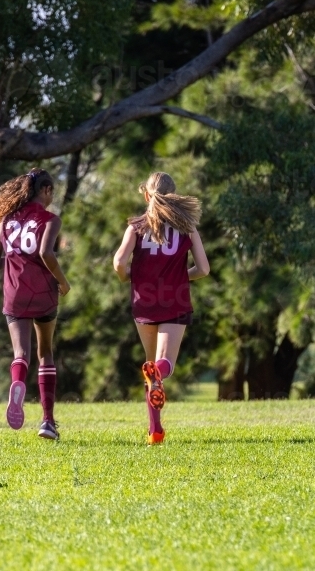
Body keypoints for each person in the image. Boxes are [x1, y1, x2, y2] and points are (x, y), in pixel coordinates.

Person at [113, 172, 210, 445]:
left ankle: (155, 430)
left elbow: (119, 262)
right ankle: (160, 377)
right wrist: (180, 275)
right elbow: (203, 269)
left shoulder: (136, 227)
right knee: (162, 364)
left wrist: (128, 277)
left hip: (144, 301)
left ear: (146, 195)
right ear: (174, 196)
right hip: (175, 298)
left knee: (150, 366)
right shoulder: (187, 227)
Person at [0, 168, 70, 441]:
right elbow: (46, 253)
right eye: (51, 193)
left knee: (21, 353)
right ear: (45, 190)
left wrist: (15, 261)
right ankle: (47, 421)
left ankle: (17, 383)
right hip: (44, 293)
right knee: (45, 352)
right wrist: (64, 282)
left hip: (15, 295)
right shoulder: (50, 220)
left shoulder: (6, 220)